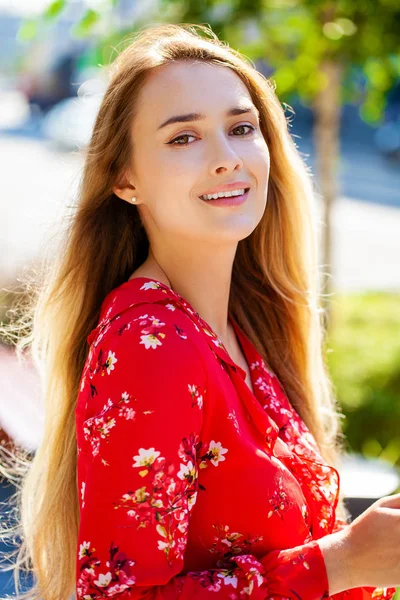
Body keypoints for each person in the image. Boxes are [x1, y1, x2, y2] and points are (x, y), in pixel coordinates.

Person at [1, 22, 399, 600]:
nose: (226, 159)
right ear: (124, 178)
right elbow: (122, 596)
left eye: (241, 128)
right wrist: (342, 562)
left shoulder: (240, 329)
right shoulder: (149, 343)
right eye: (183, 137)